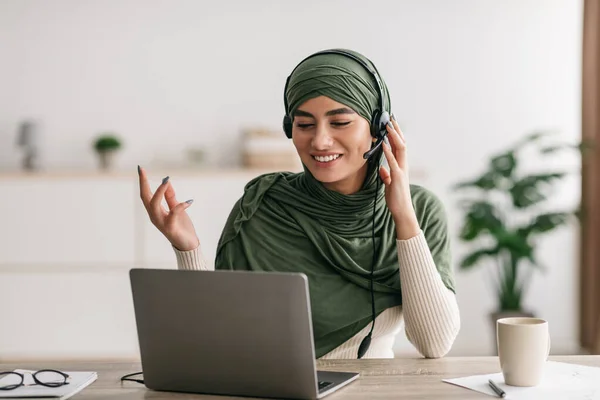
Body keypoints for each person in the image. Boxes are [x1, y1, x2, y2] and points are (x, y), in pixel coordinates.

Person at [138, 49, 460, 360]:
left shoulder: (420, 210)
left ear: (379, 129)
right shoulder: (261, 208)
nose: (319, 141)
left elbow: (434, 343)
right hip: (273, 386)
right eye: (304, 125)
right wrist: (188, 248)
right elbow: (218, 337)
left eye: (339, 123)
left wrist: (404, 219)